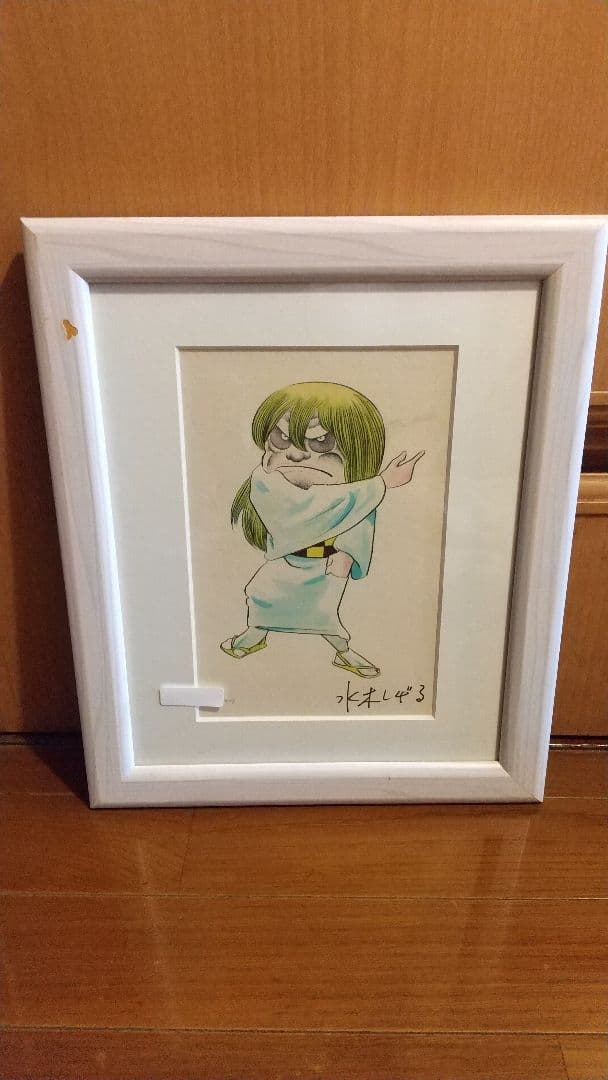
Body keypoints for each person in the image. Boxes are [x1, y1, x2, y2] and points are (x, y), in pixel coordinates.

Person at [221, 381, 424, 678]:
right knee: (263, 597)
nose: (296, 455)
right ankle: (252, 637)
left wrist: (347, 554)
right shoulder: (266, 483)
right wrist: (381, 484)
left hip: (324, 566)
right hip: (285, 561)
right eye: (281, 438)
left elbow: (355, 518)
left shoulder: (359, 495)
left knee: (324, 614)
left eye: (320, 442)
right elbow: (306, 509)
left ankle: (344, 652)